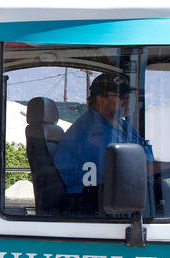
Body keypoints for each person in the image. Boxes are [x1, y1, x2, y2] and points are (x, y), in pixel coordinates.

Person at [52, 74, 154, 214]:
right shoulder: (91, 130)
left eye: (129, 96)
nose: (128, 101)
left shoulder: (122, 125)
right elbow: (120, 171)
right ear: (101, 100)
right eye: (122, 96)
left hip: (116, 196)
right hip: (91, 204)